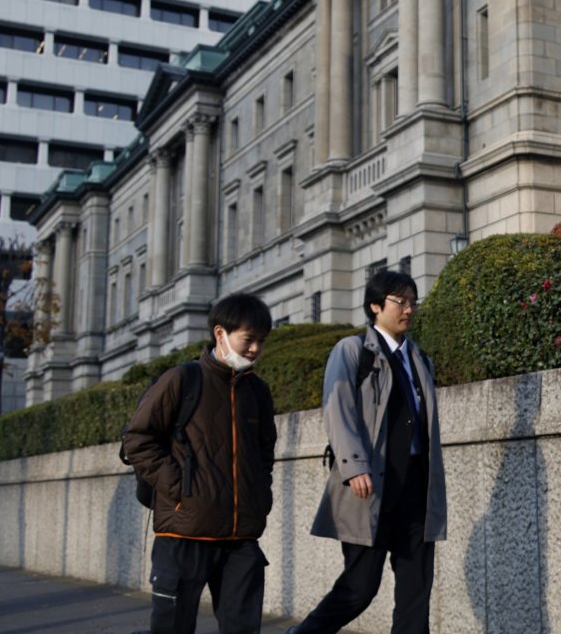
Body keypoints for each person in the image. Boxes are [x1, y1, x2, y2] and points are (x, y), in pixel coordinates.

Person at [291, 271, 447, 634]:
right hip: (371, 485)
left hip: (416, 487)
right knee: (360, 588)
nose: (409, 309)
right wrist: (354, 466)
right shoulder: (352, 350)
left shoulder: (420, 357)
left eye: (412, 301)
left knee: (416, 590)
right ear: (375, 306)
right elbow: (338, 410)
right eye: (400, 301)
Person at [123, 293, 278, 634]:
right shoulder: (182, 380)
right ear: (220, 333)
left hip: (241, 538)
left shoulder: (258, 392)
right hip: (184, 532)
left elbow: (265, 452)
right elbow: (137, 439)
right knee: (173, 628)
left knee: (242, 628)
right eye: (248, 339)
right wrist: (179, 489)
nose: (255, 349)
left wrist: (260, 495)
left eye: (261, 341)